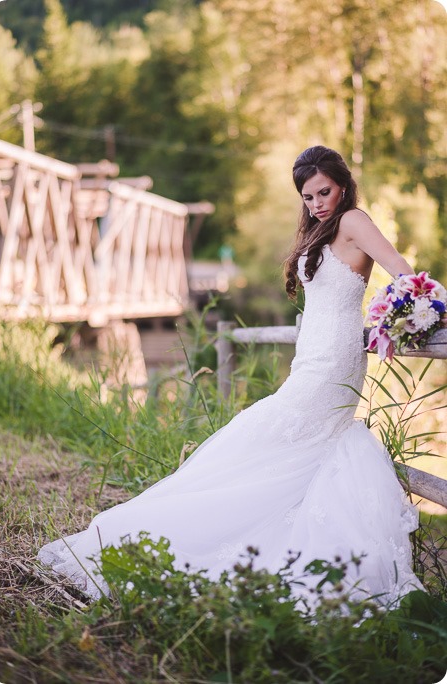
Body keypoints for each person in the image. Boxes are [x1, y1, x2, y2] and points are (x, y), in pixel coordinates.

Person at [38, 145, 424, 607]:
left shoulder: (354, 220)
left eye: (324, 192)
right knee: (286, 445)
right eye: (307, 197)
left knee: (271, 433)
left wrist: (396, 323)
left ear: (342, 184)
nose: (318, 203)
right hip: (312, 355)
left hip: (336, 359)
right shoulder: (323, 229)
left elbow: (406, 276)